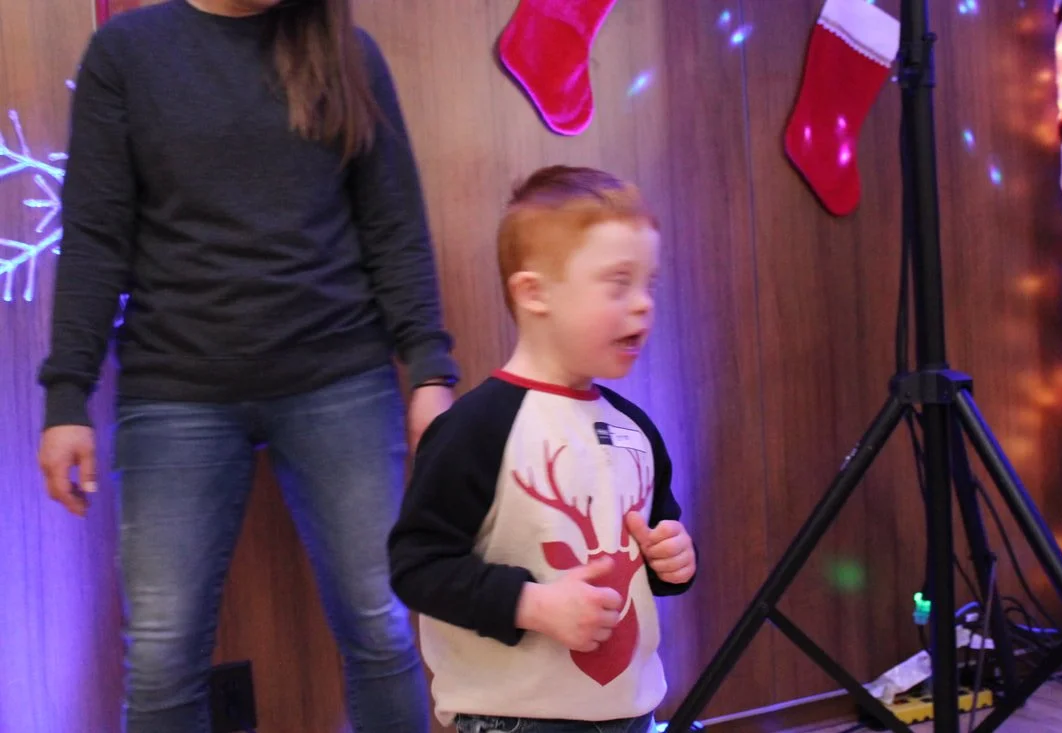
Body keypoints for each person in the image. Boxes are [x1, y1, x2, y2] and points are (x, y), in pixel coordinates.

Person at [34, 1, 453, 731]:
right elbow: (95, 237)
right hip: (176, 388)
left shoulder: (346, 53)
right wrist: (67, 396)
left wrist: (429, 369)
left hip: (340, 376)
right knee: (161, 660)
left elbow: (394, 225)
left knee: (380, 628)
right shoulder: (126, 53)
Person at [388, 165, 698, 733]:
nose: (643, 304)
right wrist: (532, 605)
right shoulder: (475, 429)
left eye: (649, 284)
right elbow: (417, 567)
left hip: (631, 713)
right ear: (534, 294)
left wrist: (673, 559)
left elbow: (653, 552)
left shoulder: (635, 429)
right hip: (514, 718)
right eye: (618, 284)